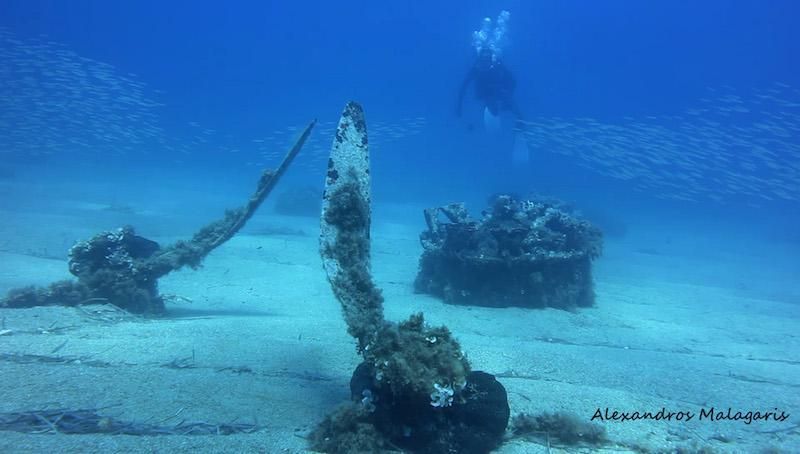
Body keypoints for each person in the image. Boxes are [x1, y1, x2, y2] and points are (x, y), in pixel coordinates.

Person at [456, 47, 522, 120]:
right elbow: (463, 87)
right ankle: (493, 109)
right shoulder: (475, 69)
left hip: (497, 90)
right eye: (483, 60)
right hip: (484, 94)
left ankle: (521, 121)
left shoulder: (497, 65)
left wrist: (508, 94)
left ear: (491, 59)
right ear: (479, 60)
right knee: (494, 111)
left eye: (487, 60)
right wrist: (459, 106)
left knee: (509, 101)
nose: (485, 63)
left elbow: (512, 81)